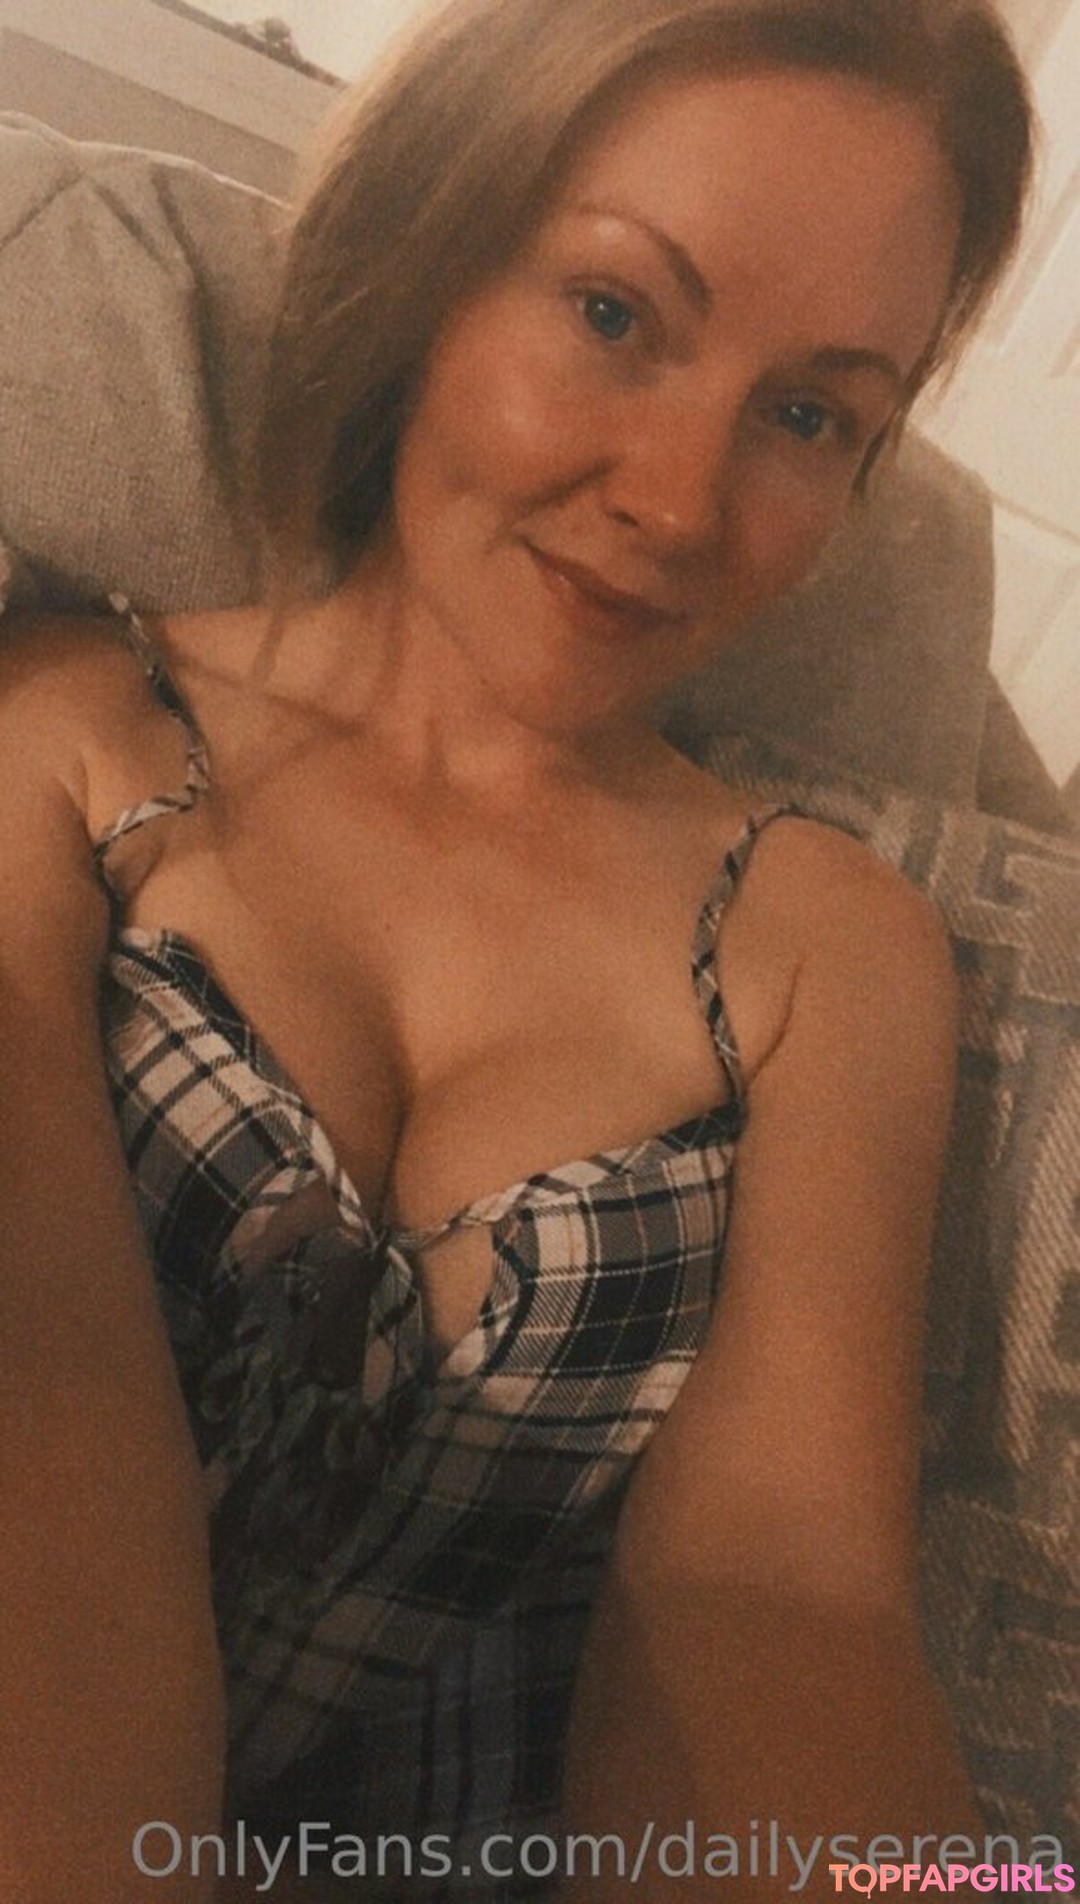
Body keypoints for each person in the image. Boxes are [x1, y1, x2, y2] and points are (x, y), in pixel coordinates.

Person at [0, 0, 1034, 1898]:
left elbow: (784, 1604)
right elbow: (30, 1370)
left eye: (809, 415)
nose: (679, 502)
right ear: (428, 241)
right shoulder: (67, 732)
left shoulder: (829, 949)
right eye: (616, 314)